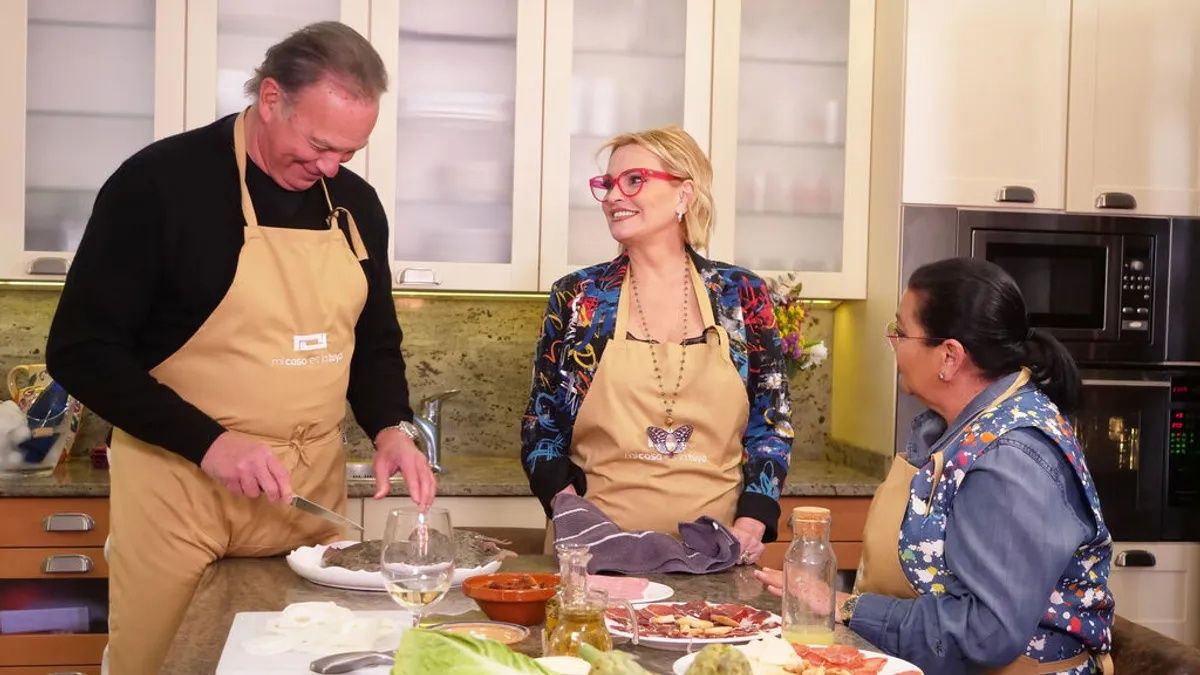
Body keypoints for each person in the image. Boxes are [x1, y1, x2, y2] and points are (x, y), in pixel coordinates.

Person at [45, 23, 436, 673]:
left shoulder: (356, 206)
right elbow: (82, 349)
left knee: (317, 660)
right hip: (181, 491)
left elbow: (374, 342)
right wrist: (209, 441)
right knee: (165, 660)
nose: (330, 168)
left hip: (307, 495)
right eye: (318, 144)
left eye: (349, 151)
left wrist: (391, 425)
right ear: (272, 96)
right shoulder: (160, 185)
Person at [755, 258, 1114, 675]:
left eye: (900, 332)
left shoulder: (1010, 459)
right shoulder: (960, 428)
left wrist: (845, 605)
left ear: (949, 356)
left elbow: (984, 633)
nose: (893, 344)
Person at [520, 125, 794, 563]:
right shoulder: (581, 298)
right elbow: (542, 428)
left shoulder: (739, 294)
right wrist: (572, 512)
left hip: (716, 554)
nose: (613, 196)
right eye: (607, 184)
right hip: (595, 557)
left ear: (684, 195)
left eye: (633, 180)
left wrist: (750, 523)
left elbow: (771, 424)